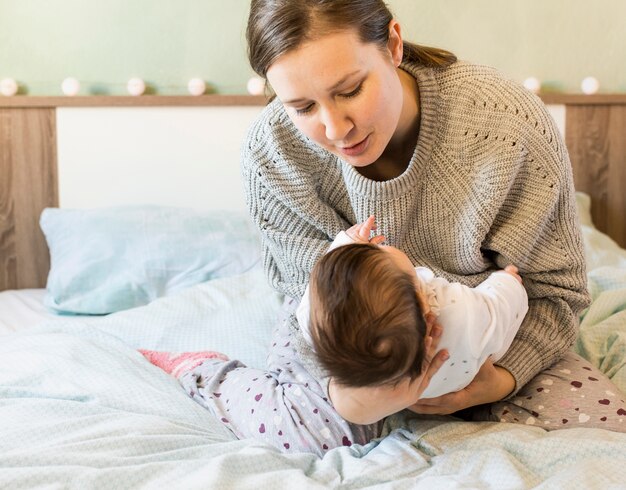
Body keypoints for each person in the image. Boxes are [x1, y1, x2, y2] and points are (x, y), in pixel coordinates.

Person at [142, 0, 626, 456]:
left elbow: (555, 293)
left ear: (393, 44)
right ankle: (209, 374)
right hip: (354, 349)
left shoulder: (504, 127)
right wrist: (352, 396)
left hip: (486, 340)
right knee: (299, 431)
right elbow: (308, 306)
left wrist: (498, 379)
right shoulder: (275, 156)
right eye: (303, 107)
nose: (335, 128)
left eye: (350, 90)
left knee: (607, 427)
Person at [295, 216, 528, 425]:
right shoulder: (458, 310)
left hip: (398, 399)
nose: (378, 246)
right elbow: (498, 308)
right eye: (379, 252)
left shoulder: (312, 319)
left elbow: (325, 283)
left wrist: (348, 243)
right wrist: (507, 280)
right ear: (422, 299)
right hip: (460, 379)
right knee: (494, 333)